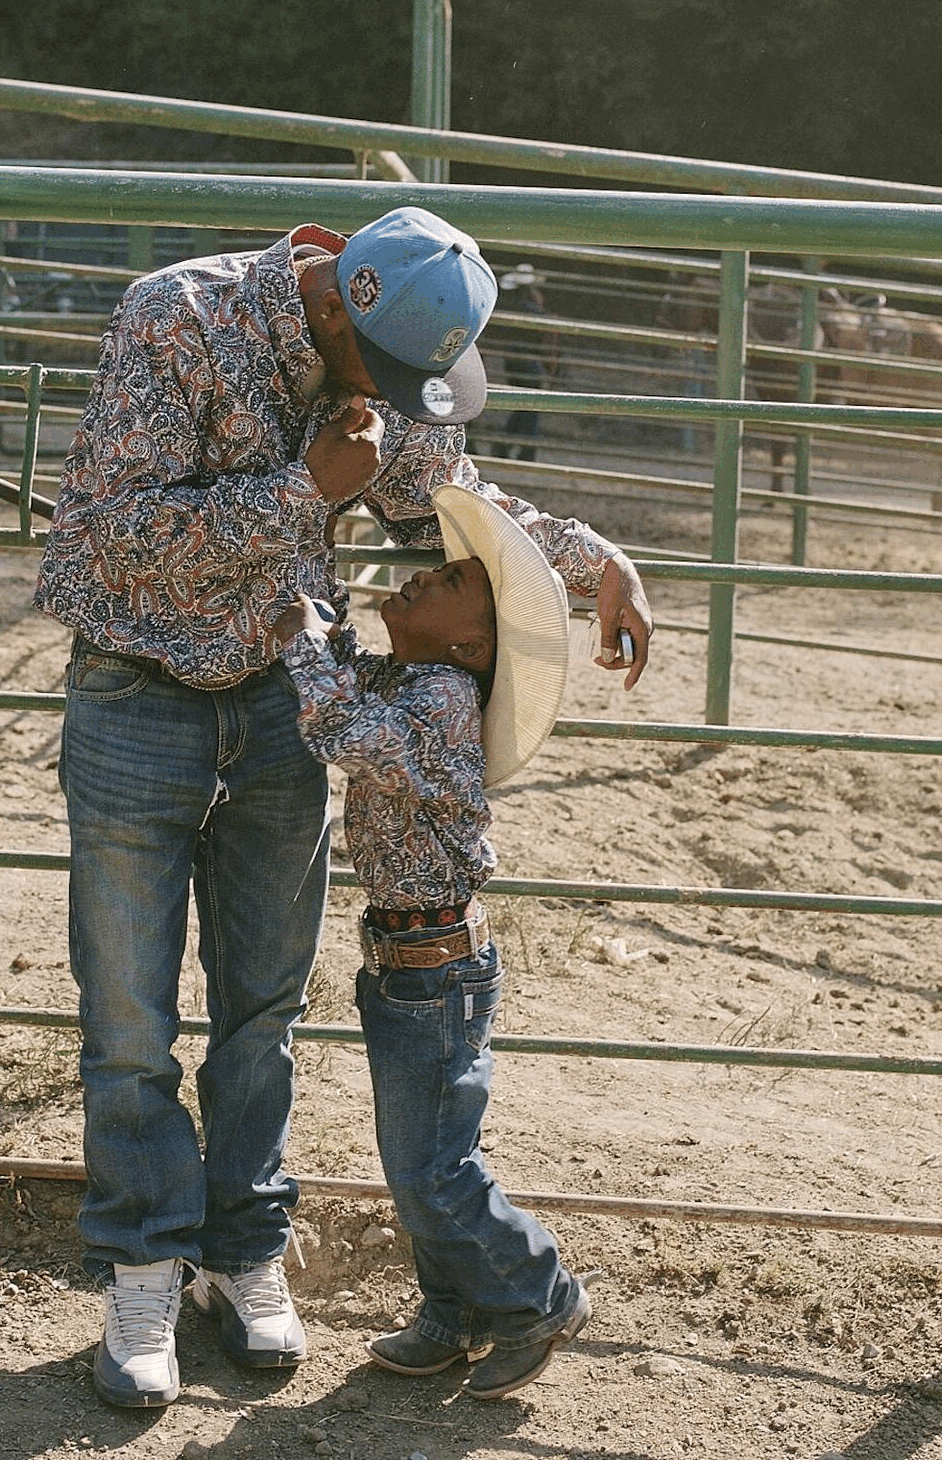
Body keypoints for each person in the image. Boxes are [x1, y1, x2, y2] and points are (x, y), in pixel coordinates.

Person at [31, 204, 653, 1408]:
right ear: (332, 309)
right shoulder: (177, 318)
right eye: (403, 378)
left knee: (262, 1008)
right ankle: (145, 1263)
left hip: (279, 708)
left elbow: (445, 496)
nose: (415, 404)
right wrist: (298, 492)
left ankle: (243, 1251)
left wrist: (592, 562)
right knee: (124, 1014)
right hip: (138, 693)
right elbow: (107, 542)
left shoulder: (369, 360)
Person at [267, 482, 589, 1400]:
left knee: (432, 1167)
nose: (425, 572)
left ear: (470, 646)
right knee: (419, 1162)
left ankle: (539, 1291)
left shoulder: (442, 699)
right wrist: (324, 631)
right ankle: (454, 1313)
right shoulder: (422, 677)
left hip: (433, 971)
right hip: (412, 962)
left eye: (451, 580)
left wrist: (298, 639)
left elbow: (340, 726)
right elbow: (351, 675)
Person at [496, 262, 558, 462]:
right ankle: (524, 450)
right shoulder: (533, 310)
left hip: (513, 361)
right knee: (531, 406)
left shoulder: (513, 308)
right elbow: (547, 334)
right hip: (529, 362)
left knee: (524, 406)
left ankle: (508, 446)